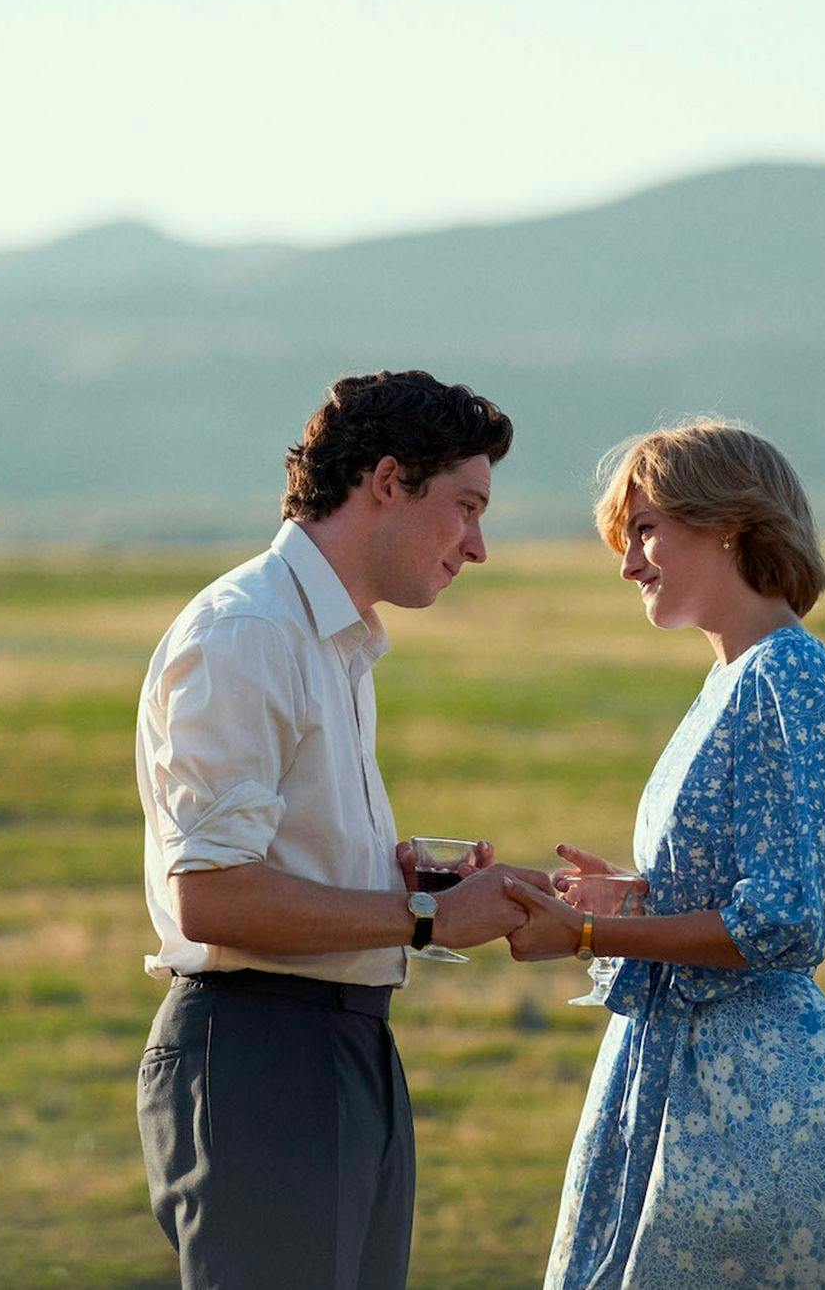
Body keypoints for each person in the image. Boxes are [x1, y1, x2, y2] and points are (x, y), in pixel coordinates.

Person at [503, 420, 825, 1288]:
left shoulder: (787, 672)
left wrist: (586, 936)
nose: (629, 561)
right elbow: (735, 886)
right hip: (680, 1074)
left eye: (646, 531)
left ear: (726, 522)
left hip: (753, 1103)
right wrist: (634, 897)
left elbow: (782, 917)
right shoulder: (732, 673)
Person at [135, 369, 550, 1290]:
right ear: (389, 481)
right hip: (262, 1057)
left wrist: (418, 888)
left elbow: (279, 864)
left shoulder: (336, 640)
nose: (478, 546)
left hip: (344, 1047)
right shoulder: (249, 632)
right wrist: (427, 916)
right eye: (467, 507)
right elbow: (212, 895)